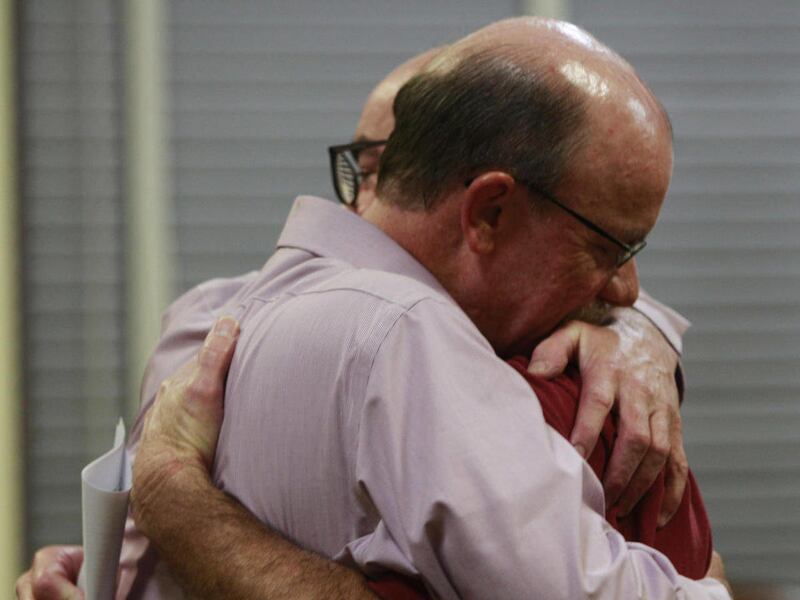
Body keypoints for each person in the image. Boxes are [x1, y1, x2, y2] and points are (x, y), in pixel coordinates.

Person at [16, 18, 720, 600]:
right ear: (487, 209)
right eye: (608, 248)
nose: (625, 288)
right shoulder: (408, 337)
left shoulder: (211, 327)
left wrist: (644, 332)